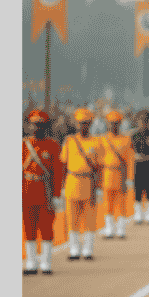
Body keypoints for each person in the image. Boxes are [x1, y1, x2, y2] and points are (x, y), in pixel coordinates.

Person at [60, 107, 105, 260]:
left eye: (86, 123)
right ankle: (74, 249)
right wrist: (60, 186)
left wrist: (99, 186)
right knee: (71, 219)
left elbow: (99, 167)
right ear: (77, 124)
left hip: (89, 183)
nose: (83, 126)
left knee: (90, 218)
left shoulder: (96, 142)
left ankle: (88, 250)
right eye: (81, 123)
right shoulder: (69, 141)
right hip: (72, 181)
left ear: (90, 124)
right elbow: (63, 164)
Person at [22, 109, 64, 274]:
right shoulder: (23, 145)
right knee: (29, 228)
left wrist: (56, 195)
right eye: (34, 125)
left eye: (40, 125)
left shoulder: (53, 145)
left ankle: (46, 263)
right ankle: (31, 263)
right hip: (27, 189)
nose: (36, 128)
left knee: (46, 228)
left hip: (45, 191)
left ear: (45, 126)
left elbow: (57, 172)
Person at [100, 110, 134, 239]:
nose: (113, 125)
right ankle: (109, 229)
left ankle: (121, 230)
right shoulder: (103, 139)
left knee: (121, 204)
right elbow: (98, 159)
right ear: (108, 124)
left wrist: (129, 178)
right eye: (111, 123)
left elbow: (129, 159)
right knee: (107, 204)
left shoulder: (126, 139)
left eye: (116, 123)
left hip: (121, 174)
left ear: (119, 124)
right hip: (107, 173)